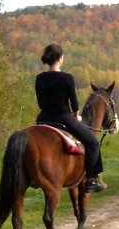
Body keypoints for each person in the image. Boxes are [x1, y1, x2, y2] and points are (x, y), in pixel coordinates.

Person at [35, 44, 106, 193]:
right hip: (63, 118)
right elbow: (74, 104)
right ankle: (91, 180)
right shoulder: (67, 78)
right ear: (60, 59)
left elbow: (41, 103)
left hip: (43, 119)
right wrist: (77, 116)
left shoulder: (39, 78)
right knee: (93, 143)